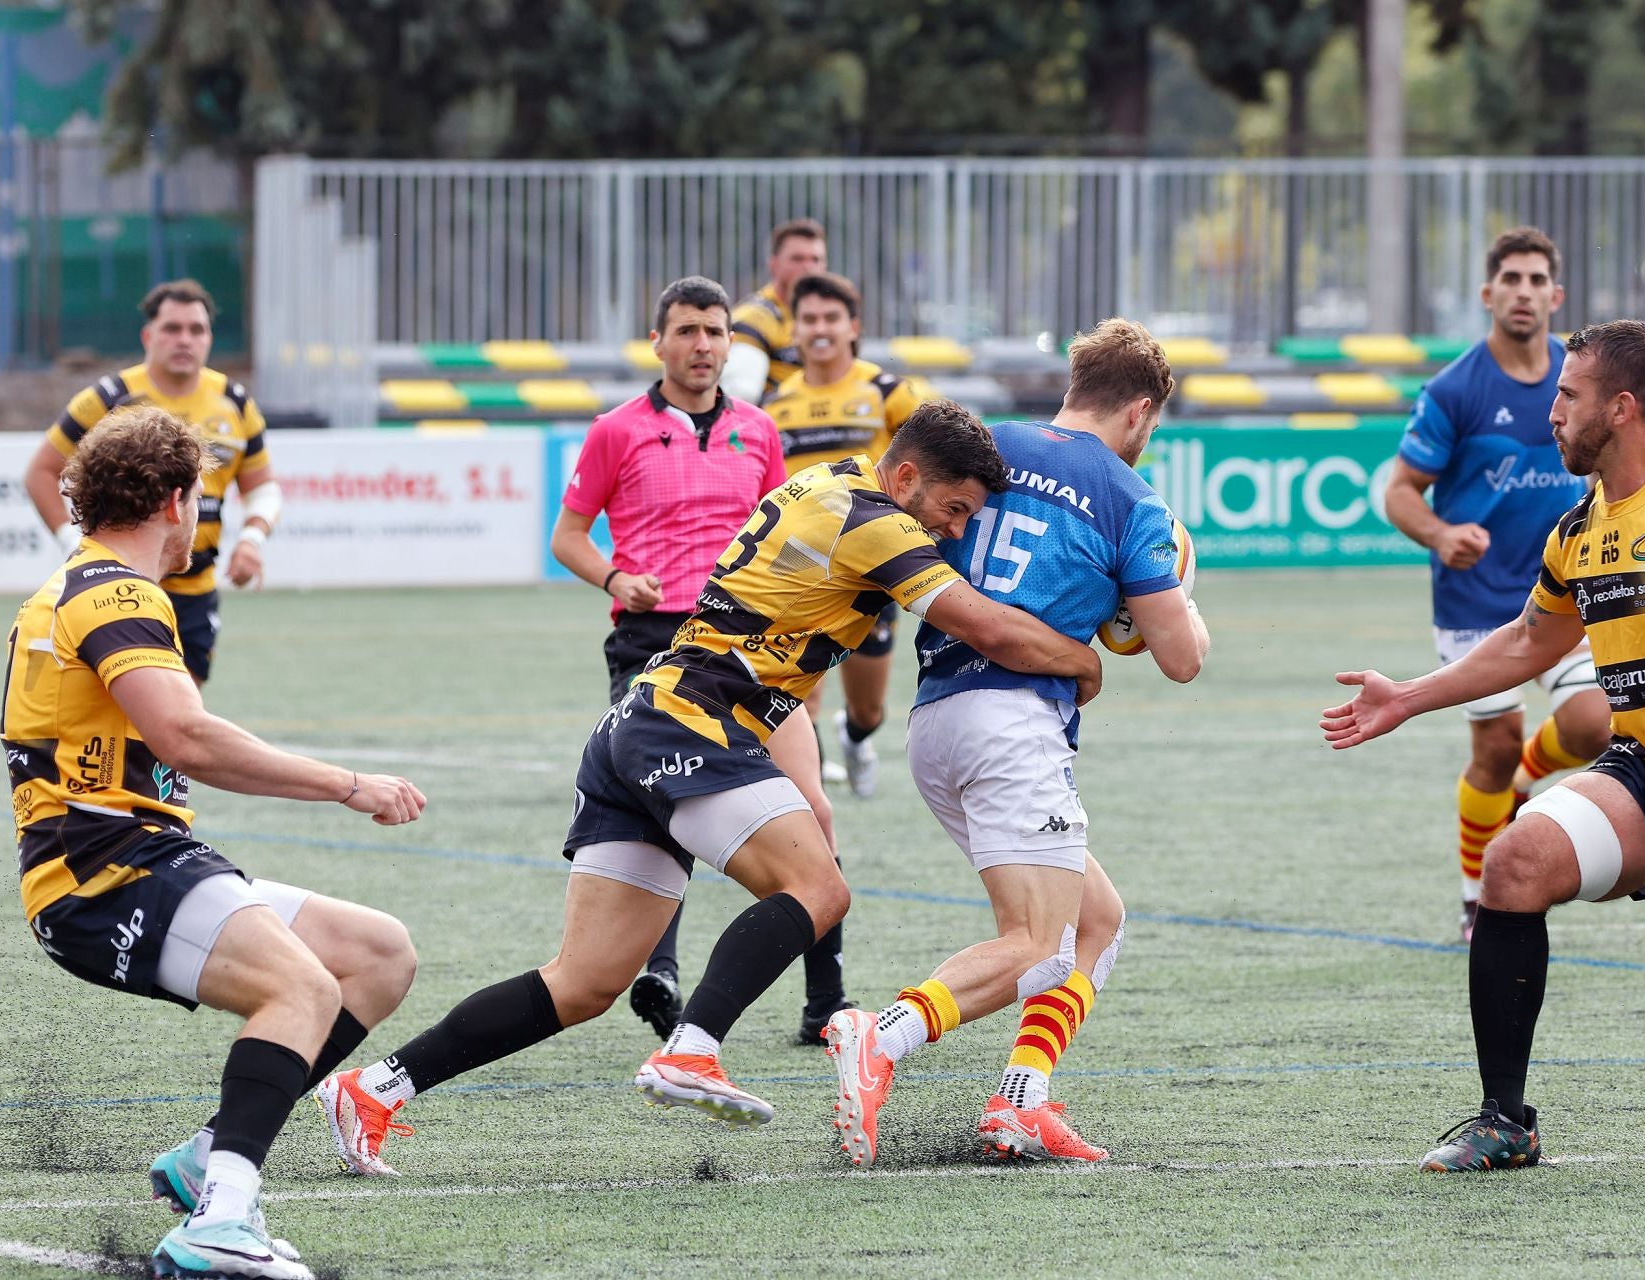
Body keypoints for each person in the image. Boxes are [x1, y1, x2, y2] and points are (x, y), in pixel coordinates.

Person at [315, 400, 1103, 1176]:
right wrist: (1083, 658)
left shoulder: (826, 483)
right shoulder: (876, 521)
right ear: (905, 476)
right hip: (694, 720)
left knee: (583, 982)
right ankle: (693, 1051)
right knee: (819, 888)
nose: (956, 529)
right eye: (954, 509)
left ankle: (374, 1088)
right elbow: (988, 628)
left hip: (644, 719)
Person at [1322, 319, 1645, 1183]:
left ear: (1623, 408)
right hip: (1644, 762)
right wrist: (1407, 698)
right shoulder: (1580, 528)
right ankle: (1505, 1123)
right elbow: (1528, 642)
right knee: (1514, 859)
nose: (1551, 414)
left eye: (1568, 397)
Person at [2, 405, 424, 1278]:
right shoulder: (118, 591)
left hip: (129, 862)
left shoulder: (71, 584)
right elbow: (185, 738)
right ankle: (220, 1222)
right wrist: (348, 784)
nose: (204, 514)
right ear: (172, 501)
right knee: (303, 987)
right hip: (108, 873)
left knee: (377, 955)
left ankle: (208, 1155)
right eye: (201, 497)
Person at [821, 318, 1207, 1168]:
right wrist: (1183, 584)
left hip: (936, 718)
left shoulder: (988, 448)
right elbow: (1179, 658)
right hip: (1013, 722)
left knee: (1095, 919)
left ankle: (1021, 1100)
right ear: (1142, 412)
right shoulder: (1131, 497)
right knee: (1035, 944)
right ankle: (879, 1038)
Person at [550, 274, 845, 1046]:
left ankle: (827, 1001)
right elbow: (568, 536)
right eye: (687, 331)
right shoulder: (616, 430)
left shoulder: (759, 428)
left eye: (716, 332)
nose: (703, 345)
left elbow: (787, 535)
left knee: (813, 808)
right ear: (659, 342)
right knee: (667, 806)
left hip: (751, 651)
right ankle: (664, 971)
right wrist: (616, 577)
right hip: (653, 645)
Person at [1383, 228, 1610, 942]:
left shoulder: (1583, 381)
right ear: (1488, 294)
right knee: (1496, 743)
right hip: (1476, 601)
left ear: (1556, 295)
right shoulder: (1454, 390)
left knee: (1592, 724)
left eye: (1537, 279)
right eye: (1510, 278)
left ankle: (1517, 788)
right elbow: (1399, 492)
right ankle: (1476, 898)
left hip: (1565, 593)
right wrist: (1440, 534)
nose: (1523, 291)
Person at [25, 280, 280, 685]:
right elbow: (41, 471)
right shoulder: (110, 399)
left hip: (195, 587)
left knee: (179, 715)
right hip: (119, 585)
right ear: (148, 335)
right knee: (132, 714)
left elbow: (262, 486)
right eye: (172, 328)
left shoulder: (235, 403)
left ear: (210, 338)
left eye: (196, 330)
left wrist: (253, 539)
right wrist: (71, 543)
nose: (185, 340)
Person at [765, 271, 928, 799]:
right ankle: (802, 789)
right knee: (789, 685)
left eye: (830, 318)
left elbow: (936, 457)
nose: (819, 328)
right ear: (794, 329)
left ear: (852, 326)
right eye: (808, 318)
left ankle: (855, 736)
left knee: (868, 707)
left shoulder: (886, 393)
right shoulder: (773, 404)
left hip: (871, 565)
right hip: (796, 561)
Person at [721, 217, 829, 405]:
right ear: (774, 264)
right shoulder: (753, 318)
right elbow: (741, 396)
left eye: (816, 259)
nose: (808, 267)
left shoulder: (832, 315)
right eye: (797, 259)